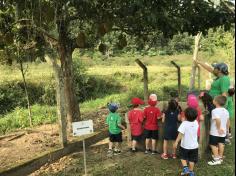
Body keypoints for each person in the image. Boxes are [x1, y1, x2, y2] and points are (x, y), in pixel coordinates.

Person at [173, 107, 199, 176]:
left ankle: (185, 168)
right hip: (194, 146)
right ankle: (191, 172)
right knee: (191, 160)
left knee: (183, 157)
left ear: (185, 116)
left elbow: (180, 134)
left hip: (185, 146)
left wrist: (176, 142)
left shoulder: (184, 124)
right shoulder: (196, 122)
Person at [208, 95, 230, 166]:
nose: (213, 100)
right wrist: (227, 130)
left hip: (215, 132)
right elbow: (228, 121)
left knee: (213, 145)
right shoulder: (226, 111)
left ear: (216, 102)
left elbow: (218, 120)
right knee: (221, 143)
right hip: (223, 132)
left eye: (214, 99)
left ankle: (216, 159)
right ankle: (220, 156)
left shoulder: (214, 111)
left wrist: (218, 128)